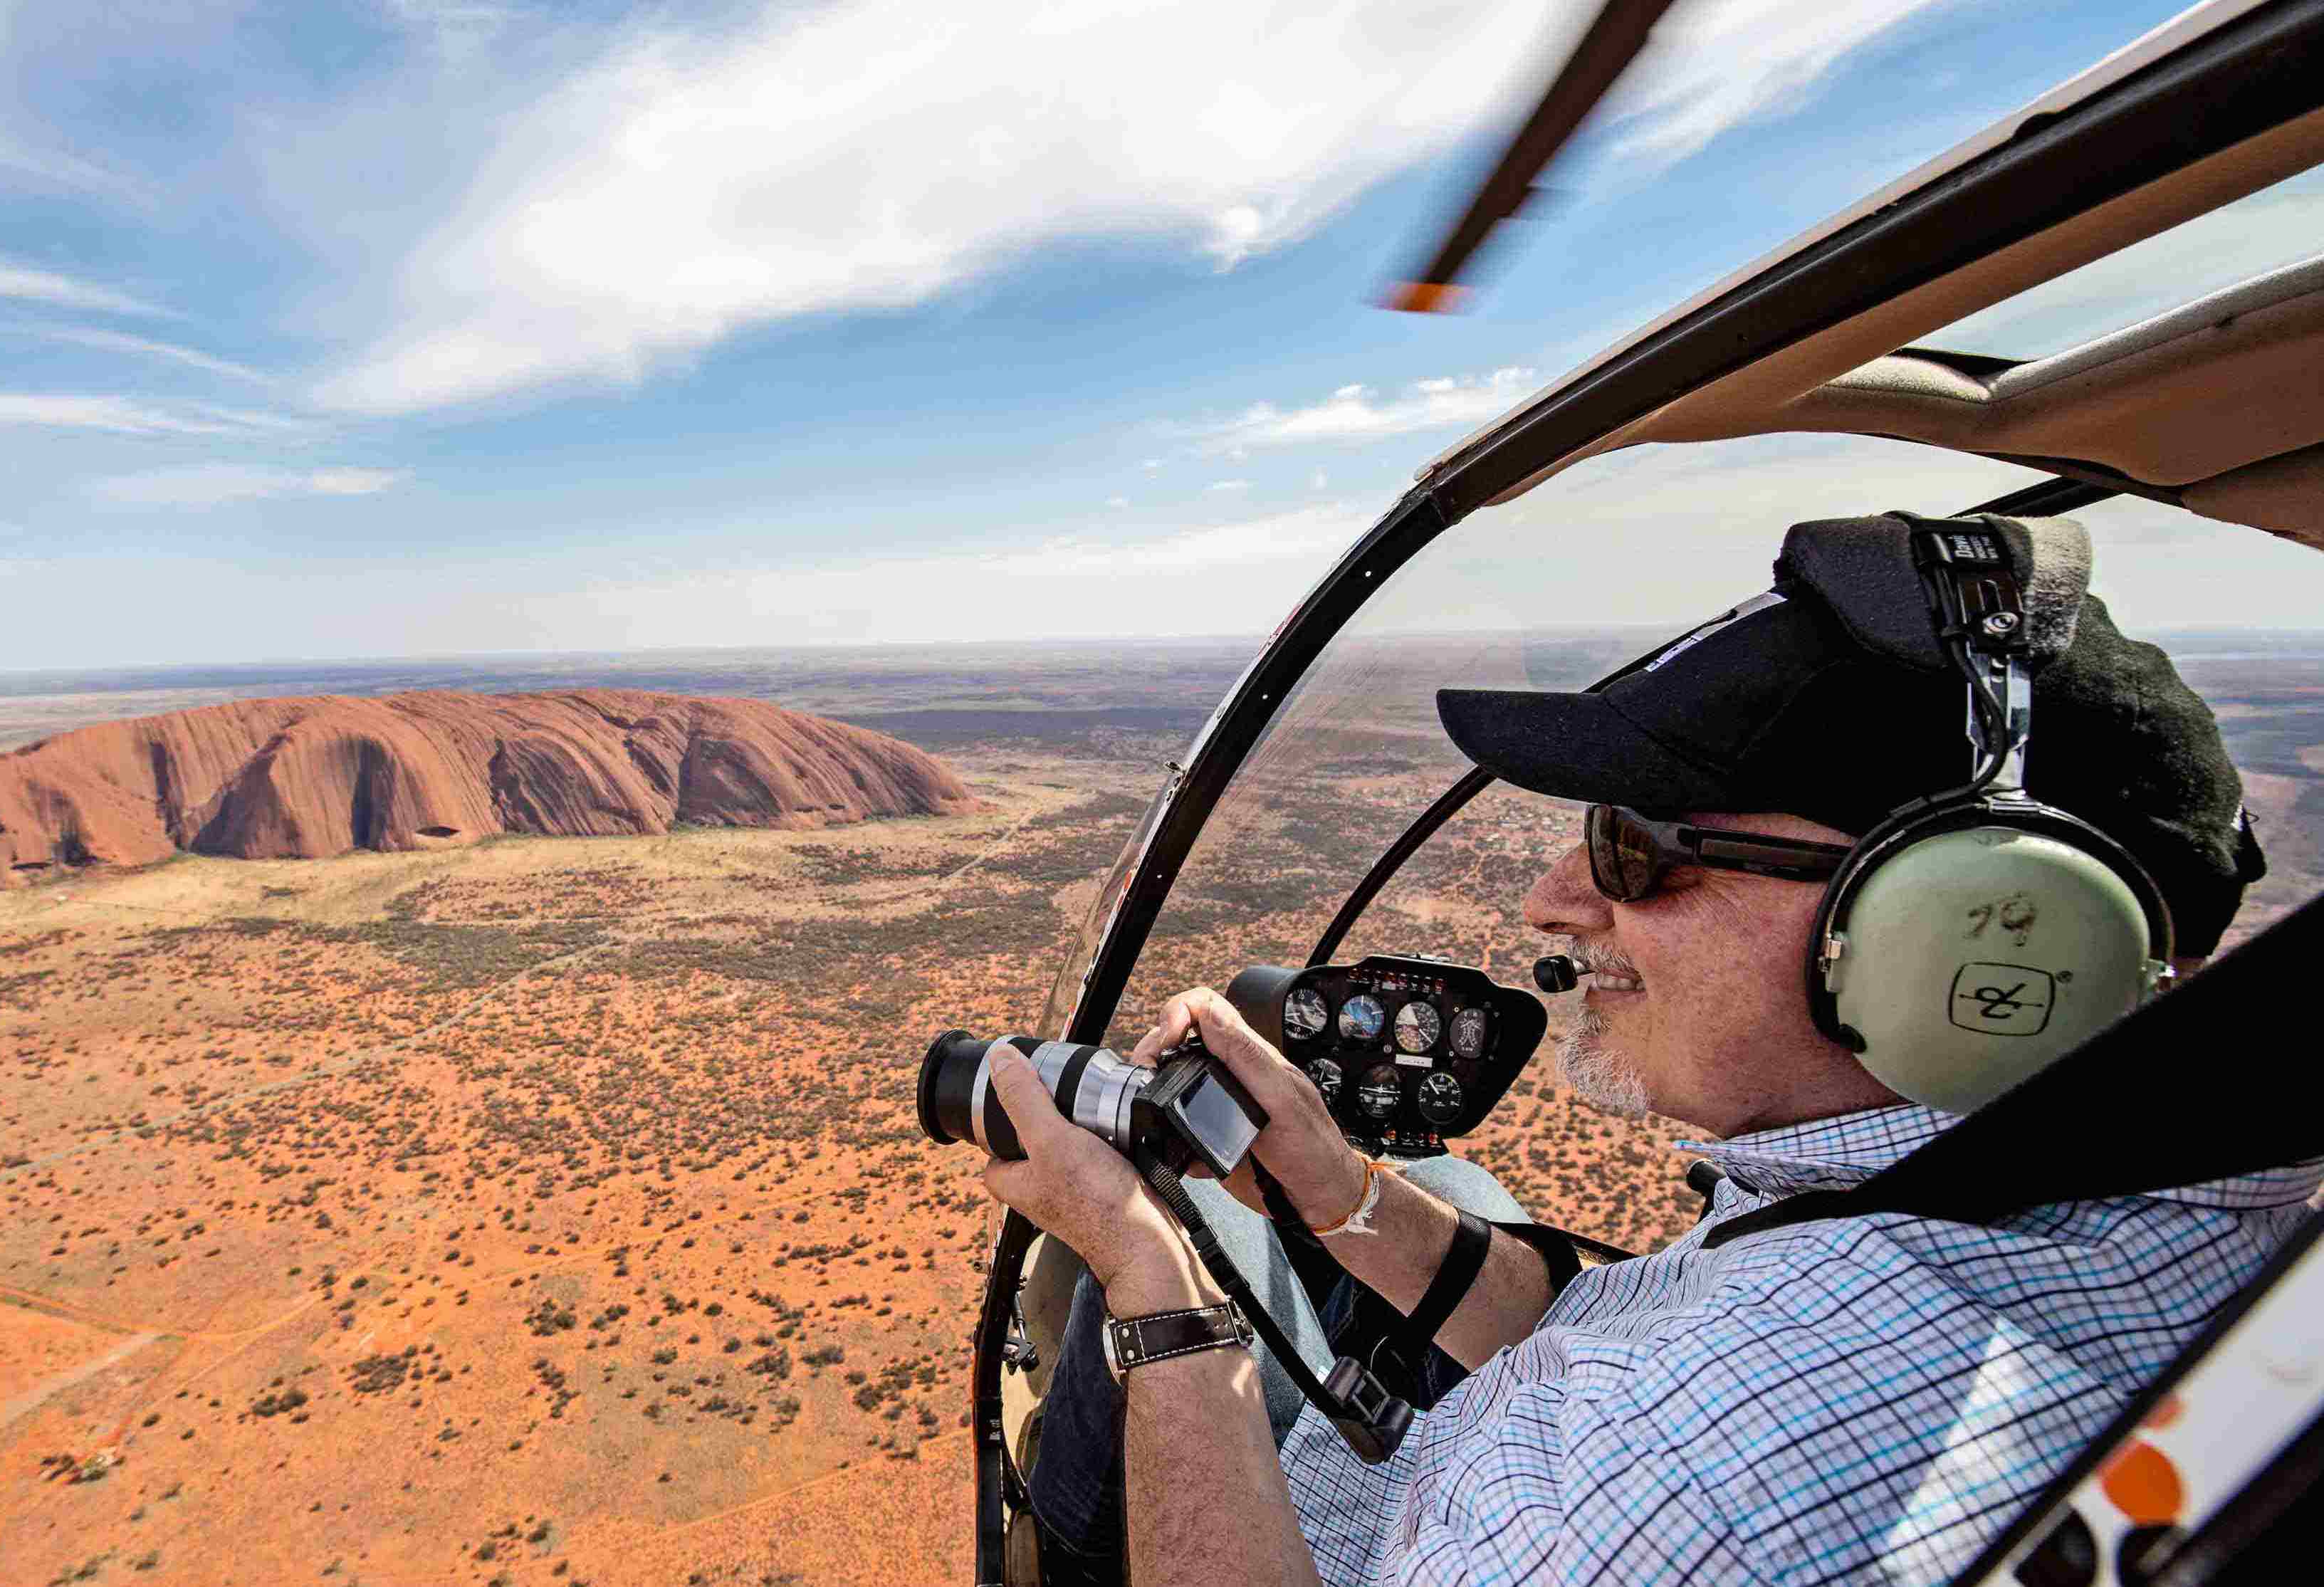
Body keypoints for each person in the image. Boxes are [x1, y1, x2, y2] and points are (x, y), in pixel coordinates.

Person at [980, 556, 2305, 1587]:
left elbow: (1690, 1425)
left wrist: (1148, 1275)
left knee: (1184, 1219)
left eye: (1635, 848)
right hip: (1480, 1459)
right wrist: (1337, 1192)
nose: (1558, 901)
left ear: (1953, 928)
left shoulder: (1714, 1463)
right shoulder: (2051, 1200)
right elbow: (1633, 1316)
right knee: (1418, 1174)